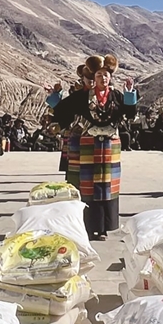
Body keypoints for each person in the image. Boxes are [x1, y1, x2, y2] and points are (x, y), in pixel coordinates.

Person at [47, 54, 137, 240]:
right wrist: (54, 97)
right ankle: (89, 226)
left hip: (110, 146)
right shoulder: (82, 97)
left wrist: (130, 94)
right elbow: (64, 109)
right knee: (88, 187)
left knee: (107, 187)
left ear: (110, 77)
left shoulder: (116, 96)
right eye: (99, 75)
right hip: (88, 144)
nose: (103, 78)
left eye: (106, 75)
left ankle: (105, 227)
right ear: (93, 78)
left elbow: (129, 115)